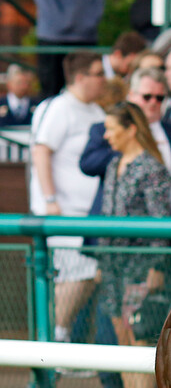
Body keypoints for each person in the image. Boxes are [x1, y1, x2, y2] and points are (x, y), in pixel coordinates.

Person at [97, 102, 171, 388]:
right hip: (113, 266)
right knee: (121, 340)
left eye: (111, 128)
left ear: (130, 129)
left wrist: (156, 265)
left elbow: (160, 219)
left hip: (140, 265)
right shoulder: (114, 164)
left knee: (139, 339)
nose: (106, 135)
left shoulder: (152, 167)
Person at [30, 51, 106, 344]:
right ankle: (52, 343)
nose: (103, 80)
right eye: (98, 73)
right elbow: (40, 151)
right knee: (70, 279)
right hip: (63, 213)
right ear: (80, 77)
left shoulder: (96, 110)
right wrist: (50, 200)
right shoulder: (59, 107)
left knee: (85, 277)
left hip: (89, 216)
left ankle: (58, 341)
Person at [80, 67, 171, 214]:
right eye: (147, 97)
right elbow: (87, 164)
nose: (153, 102)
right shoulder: (107, 129)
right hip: (112, 227)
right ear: (131, 95)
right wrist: (129, 152)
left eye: (159, 98)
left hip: (164, 227)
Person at [31, 0, 106, 99]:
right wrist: (60, 21)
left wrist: (90, 21)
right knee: (50, 94)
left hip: (86, 35)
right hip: (52, 37)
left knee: (86, 92)